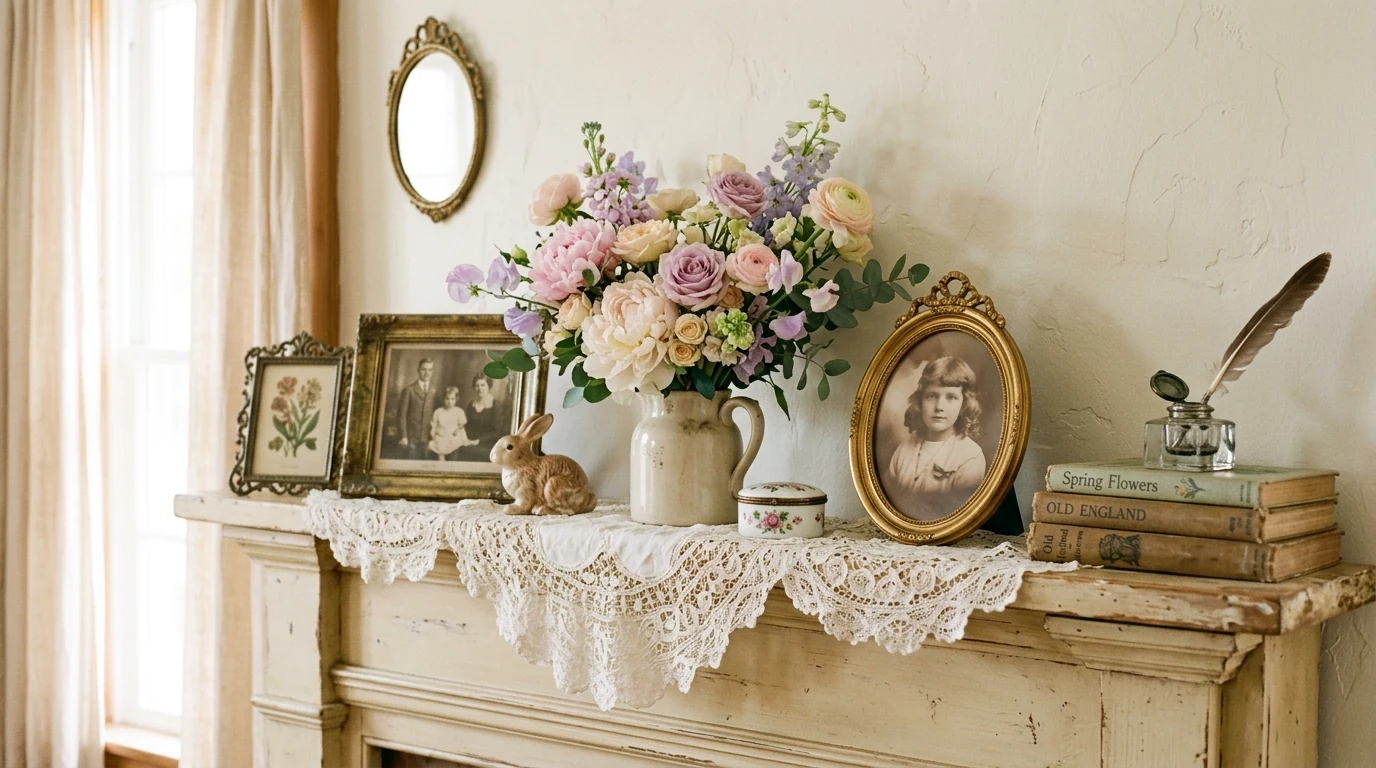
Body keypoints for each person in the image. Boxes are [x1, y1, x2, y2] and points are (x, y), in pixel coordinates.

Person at [887, 356, 987, 516]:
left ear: (963, 404)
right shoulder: (905, 448)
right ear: (921, 400)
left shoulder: (970, 457)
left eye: (951, 397)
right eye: (932, 396)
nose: (939, 407)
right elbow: (889, 500)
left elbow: (958, 516)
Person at [396, 358, 439, 459]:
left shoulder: (434, 391)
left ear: (433, 371)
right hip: (411, 438)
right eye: (424, 369)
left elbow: (437, 414)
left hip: (428, 438)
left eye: (430, 370)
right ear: (418, 370)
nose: (427, 373)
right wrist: (404, 436)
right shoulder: (409, 390)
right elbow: (401, 415)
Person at [428, 386, 479, 460]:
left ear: (456, 399)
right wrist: (433, 434)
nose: (449, 401)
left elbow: (461, 425)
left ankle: (452, 461)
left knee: (455, 443)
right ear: (443, 399)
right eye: (447, 398)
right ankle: (441, 462)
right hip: (441, 435)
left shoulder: (459, 411)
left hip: (453, 435)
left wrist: (457, 430)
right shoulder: (438, 412)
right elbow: (434, 425)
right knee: (439, 446)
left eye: (452, 399)